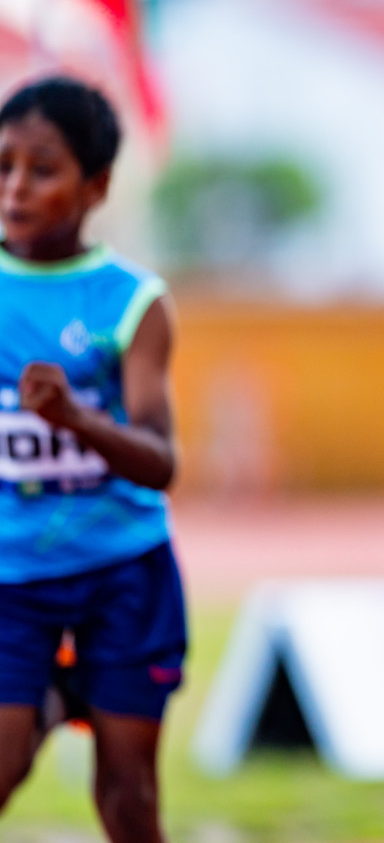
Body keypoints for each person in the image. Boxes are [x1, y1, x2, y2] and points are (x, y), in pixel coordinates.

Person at [0, 76, 184, 843]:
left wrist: (74, 416)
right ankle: (40, 699)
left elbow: (161, 461)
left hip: (123, 576)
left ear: (96, 185)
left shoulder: (131, 302)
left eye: (42, 169)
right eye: (3, 164)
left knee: (129, 795)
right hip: (11, 580)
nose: (14, 187)